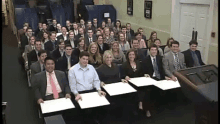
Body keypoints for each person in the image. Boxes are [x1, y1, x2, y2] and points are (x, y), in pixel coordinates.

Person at [68, 51, 106, 124]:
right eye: (83, 59)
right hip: (80, 93)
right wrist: (76, 94)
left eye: (87, 59)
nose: (85, 61)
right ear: (79, 58)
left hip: (92, 91)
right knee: (85, 113)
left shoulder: (91, 67)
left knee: (102, 107)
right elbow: (72, 86)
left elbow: (96, 80)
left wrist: (99, 90)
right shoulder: (72, 70)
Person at [121, 48, 144, 117]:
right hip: (129, 83)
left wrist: (144, 75)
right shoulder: (124, 64)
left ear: (135, 55)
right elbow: (122, 75)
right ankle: (135, 109)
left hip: (138, 82)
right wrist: (125, 77)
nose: (131, 56)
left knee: (144, 89)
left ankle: (141, 105)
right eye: (130, 54)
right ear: (127, 56)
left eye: (133, 54)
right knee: (133, 91)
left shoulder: (138, 63)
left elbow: (141, 73)